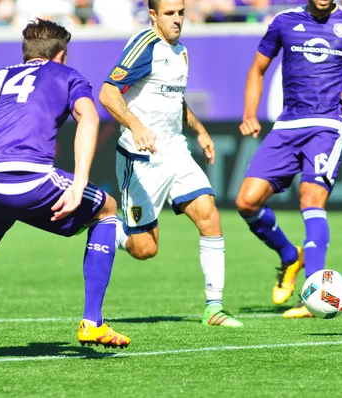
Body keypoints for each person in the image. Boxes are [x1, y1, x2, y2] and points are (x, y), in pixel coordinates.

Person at [0, 19, 131, 360]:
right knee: (106, 210)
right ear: (61, 54)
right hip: (29, 179)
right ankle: (92, 321)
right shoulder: (67, 74)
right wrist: (78, 184)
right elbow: (89, 118)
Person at [236, 0, 342, 317]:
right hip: (287, 125)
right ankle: (290, 255)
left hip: (328, 125)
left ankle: (312, 292)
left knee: (311, 198)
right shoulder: (283, 22)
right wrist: (250, 113)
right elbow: (257, 69)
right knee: (246, 202)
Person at [99, 0, 242, 328]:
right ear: (153, 15)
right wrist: (136, 127)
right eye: (169, 14)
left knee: (209, 215)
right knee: (145, 249)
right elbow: (108, 93)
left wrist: (200, 130)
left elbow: (174, 100)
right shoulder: (143, 45)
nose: (177, 20)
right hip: (141, 161)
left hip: (176, 153)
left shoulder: (181, 52)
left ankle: (214, 308)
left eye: (180, 13)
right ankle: (107, 226)